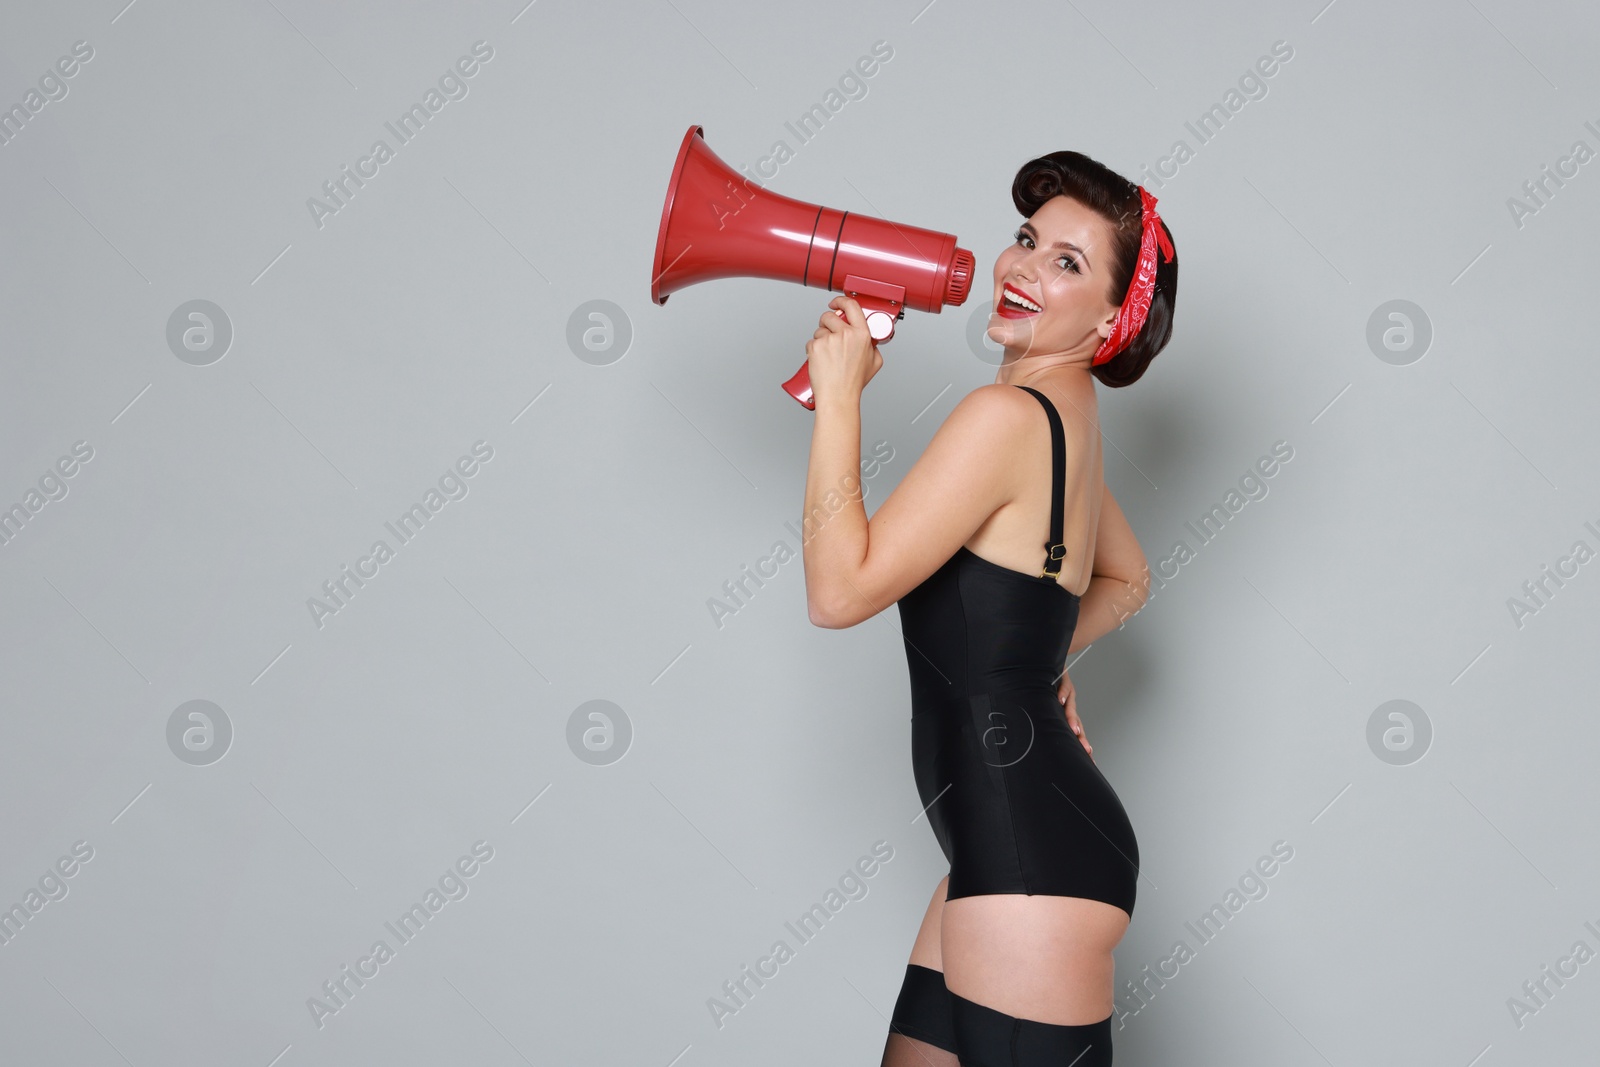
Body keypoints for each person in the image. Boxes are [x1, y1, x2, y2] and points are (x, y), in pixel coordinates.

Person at [800, 150, 1178, 1065]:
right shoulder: (1066, 420)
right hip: (1011, 850)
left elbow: (839, 590)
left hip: (1030, 868)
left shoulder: (1004, 420)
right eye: (1026, 240)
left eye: (1067, 263)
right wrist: (1037, 665)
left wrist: (839, 400)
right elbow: (1128, 577)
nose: (1021, 267)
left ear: (1109, 325)